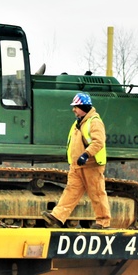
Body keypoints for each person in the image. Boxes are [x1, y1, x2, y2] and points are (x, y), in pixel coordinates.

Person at [42, 92, 111, 229]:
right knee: (70, 191)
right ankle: (57, 217)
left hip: (91, 165)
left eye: (76, 107)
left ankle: (103, 222)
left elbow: (99, 142)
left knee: (97, 193)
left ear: (84, 107)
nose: (73, 109)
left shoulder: (94, 122)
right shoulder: (78, 123)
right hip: (77, 166)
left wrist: (86, 155)